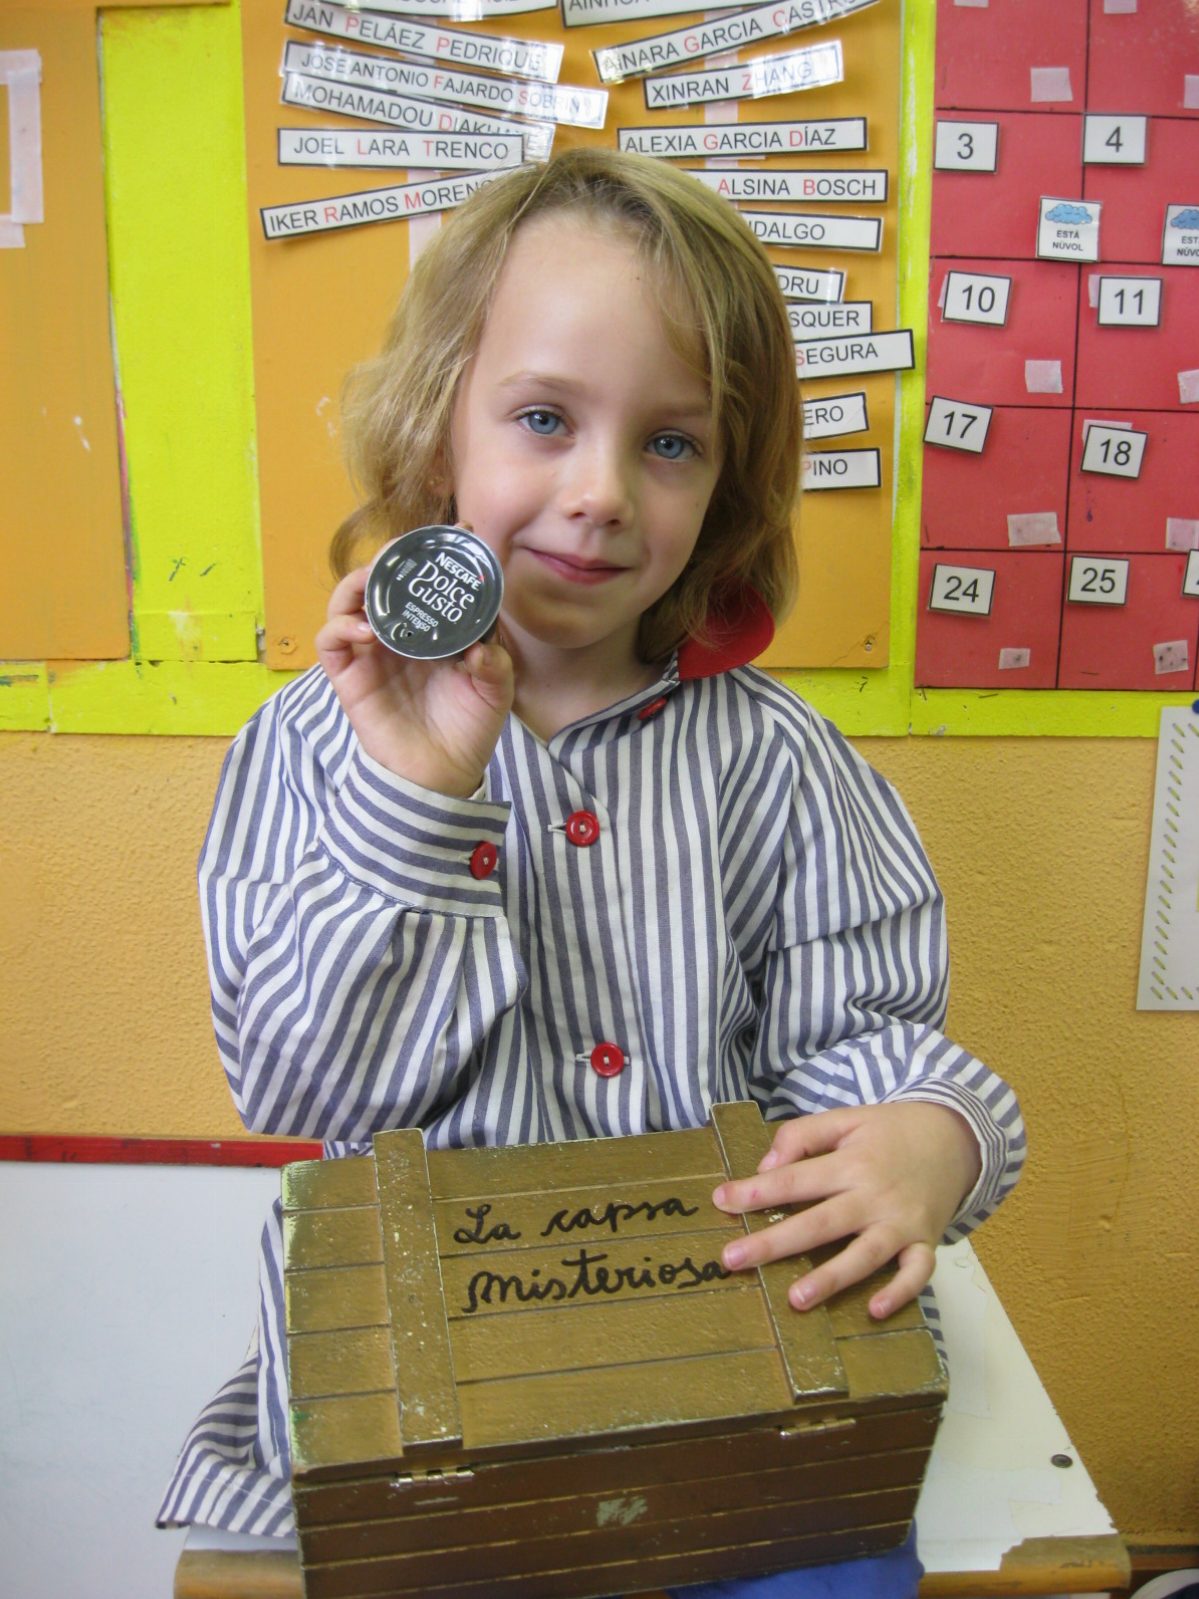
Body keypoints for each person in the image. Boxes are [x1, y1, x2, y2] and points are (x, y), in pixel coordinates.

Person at [158, 148, 1025, 1596]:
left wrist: (932, 1140)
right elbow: (308, 1095)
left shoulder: (779, 760)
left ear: (726, 485)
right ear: (441, 423)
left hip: (733, 1376)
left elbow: (860, 1042)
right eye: (546, 418)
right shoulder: (310, 748)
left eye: (671, 443)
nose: (601, 493)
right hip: (435, 1395)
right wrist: (421, 799)